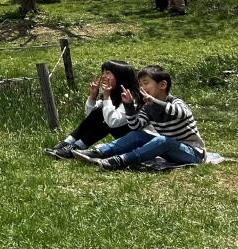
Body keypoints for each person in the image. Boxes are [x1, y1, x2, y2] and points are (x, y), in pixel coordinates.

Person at [76, 65, 205, 169]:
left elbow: (180, 112)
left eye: (146, 83)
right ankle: (100, 152)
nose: (142, 87)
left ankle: (121, 160)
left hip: (192, 153)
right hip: (168, 151)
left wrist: (155, 102)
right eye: (140, 84)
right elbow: (135, 126)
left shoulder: (175, 102)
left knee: (163, 140)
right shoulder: (148, 107)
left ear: (162, 85)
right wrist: (129, 106)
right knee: (139, 135)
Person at [45, 60, 139, 158]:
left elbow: (113, 122)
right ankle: (68, 143)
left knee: (106, 118)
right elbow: (91, 117)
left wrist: (107, 97)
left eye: (108, 73)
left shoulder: (131, 96)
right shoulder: (113, 93)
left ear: (120, 76)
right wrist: (93, 97)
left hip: (133, 140)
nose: (103, 76)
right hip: (120, 132)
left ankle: (76, 147)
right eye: (103, 72)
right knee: (100, 112)